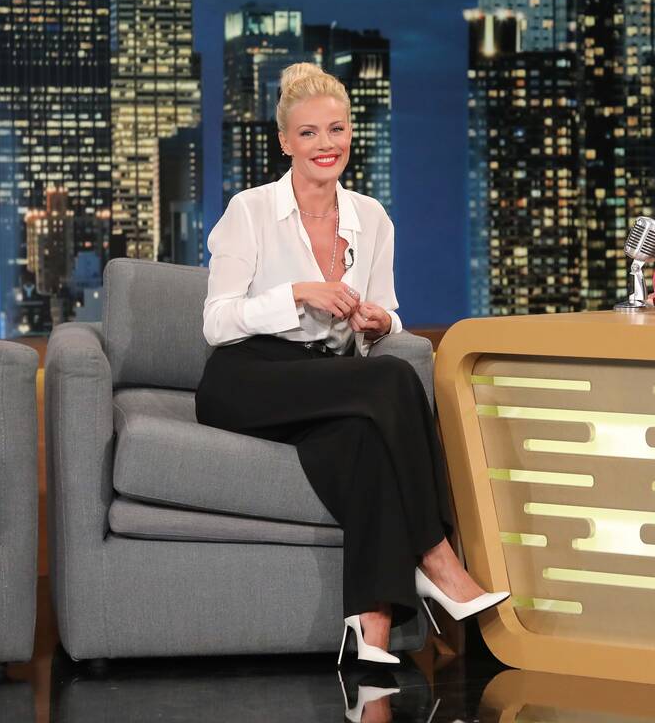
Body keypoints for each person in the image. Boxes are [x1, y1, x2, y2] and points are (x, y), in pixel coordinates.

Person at [194, 63, 507, 665]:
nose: (325, 144)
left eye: (336, 130)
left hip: (328, 380)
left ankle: (372, 627)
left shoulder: (372, 217)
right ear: (285, 142)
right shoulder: (250, 210)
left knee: (364, 441)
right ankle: (436, 555)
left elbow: (389, 313)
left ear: (351, 134)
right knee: (392, 378)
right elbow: (217, 321)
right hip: (246, 377)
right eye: (309, 133)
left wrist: (379, 322)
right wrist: (298, 294)